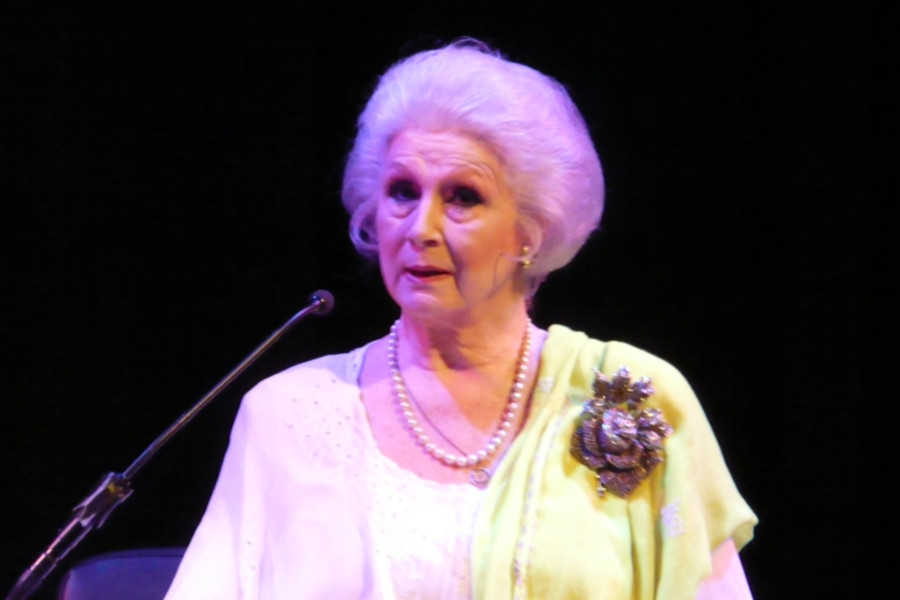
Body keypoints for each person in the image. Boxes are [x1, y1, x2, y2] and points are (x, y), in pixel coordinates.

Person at [164, 38, 757, 600]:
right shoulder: (288, 414)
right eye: (401, 191)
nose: (420, 228)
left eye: (462, 197)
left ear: (531, 228)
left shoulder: (631, 399)